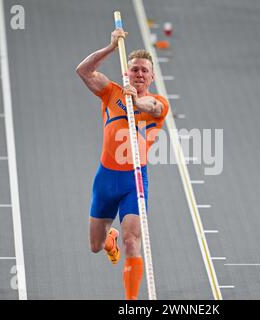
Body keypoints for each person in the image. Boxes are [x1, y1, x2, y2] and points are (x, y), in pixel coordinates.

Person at [76, 28, 169, 300]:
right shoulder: (111, 92)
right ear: (126, 73)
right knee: (95, 245)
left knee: (132, 241)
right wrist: (110, 47)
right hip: (105, 179)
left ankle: (131, 302)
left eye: (144, 71)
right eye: (134, 70)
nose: (139, 74)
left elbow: (151, 108)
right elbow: (83, 70)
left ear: (151, 76)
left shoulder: (159, 103)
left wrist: (135, 100)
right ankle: (109, 238)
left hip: (134, 180)